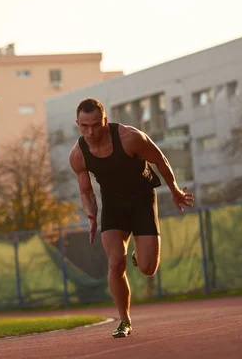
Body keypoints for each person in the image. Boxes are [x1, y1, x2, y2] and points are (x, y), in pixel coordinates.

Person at [69, 97, 194, 338]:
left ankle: (141, 253)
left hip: (141, 199)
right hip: (114, 205)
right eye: (84, 126)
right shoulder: (78, 154)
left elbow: (161, 160)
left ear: (105, 120)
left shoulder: (130, 137)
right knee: (116, 262)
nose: (91, 131)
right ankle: (124, 321)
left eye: (96, 124)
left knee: (148, 268)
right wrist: (91, 215)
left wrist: (175, 190)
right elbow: (85, 190)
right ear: (78, 124)